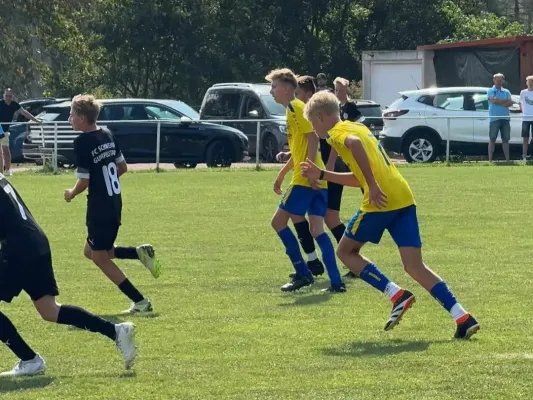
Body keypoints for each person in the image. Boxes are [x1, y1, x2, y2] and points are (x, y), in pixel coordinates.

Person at [300, 91, 480, 339]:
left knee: (345, 252)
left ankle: (396, 294)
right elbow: (358, 175)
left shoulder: (337, 135)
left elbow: (354, 145)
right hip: (403, 196)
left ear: (320, 117)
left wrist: (372, 186)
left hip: (380, 201)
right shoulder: (356, 126)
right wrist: (322, 174)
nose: (314, 129)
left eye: (312, 123)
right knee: (415, 265)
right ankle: (462, 317)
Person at [0, 173, 136, 376]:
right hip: (35, 242)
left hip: (19, 249)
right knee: (49, 310)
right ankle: (116, 331)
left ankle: (30, 360)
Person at [64, 95, 161, 314]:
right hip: (114, 203)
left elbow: (84, 181)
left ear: (81, 118)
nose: (69, 118)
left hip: (99, 208)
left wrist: (71, 193)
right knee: (91, 251)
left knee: (99, 257)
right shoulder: (106, 133)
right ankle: (138, 253)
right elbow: (123, 167)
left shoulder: (81, 142)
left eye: (71, 114)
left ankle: (141, 302)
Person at [267, 68, 344, 293]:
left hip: (305, 180)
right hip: (315, 179)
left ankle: (303, 273)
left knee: (278, 223)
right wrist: (282, 173)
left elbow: (312, 138)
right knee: (317, 230)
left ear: (286, 88)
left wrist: (309, 170)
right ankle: (336, 282)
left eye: (273, 87)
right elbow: (300, 148)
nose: (271, 91)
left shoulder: (295, 108)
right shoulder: (294, 109)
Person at [0, 88, 41, 176]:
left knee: (5, 150)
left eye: (10, 96)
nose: (8, 98)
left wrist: (35, 120)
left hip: (5, 130)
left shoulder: (14, 105)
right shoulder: (0, 103)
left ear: (12, 97)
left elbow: (24, 112)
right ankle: (1, 172)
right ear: (4, 96)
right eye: (6, 96)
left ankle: (8, 170)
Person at [487, 73, 513, 162]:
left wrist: (498, 101)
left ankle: (507, 160)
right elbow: (493, 100)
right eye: (497, 80)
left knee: (505, 140)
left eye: (500, 80)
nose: (498, 81)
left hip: (505, 119)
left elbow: (510, 103)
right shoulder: (490, 90)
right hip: (494, 118)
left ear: (503, 81)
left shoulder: (507, 91)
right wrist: (505, 101)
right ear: (493, 80)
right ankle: (490, 161)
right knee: (492, 139)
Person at [519, 76, 533, 161]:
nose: (530, 83)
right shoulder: (523, 92)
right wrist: (522, 111)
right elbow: (520, 103)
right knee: (525, 138)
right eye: (529, 81)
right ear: (526, 83)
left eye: (532, 81)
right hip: (525, 118)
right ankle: (524, 156)